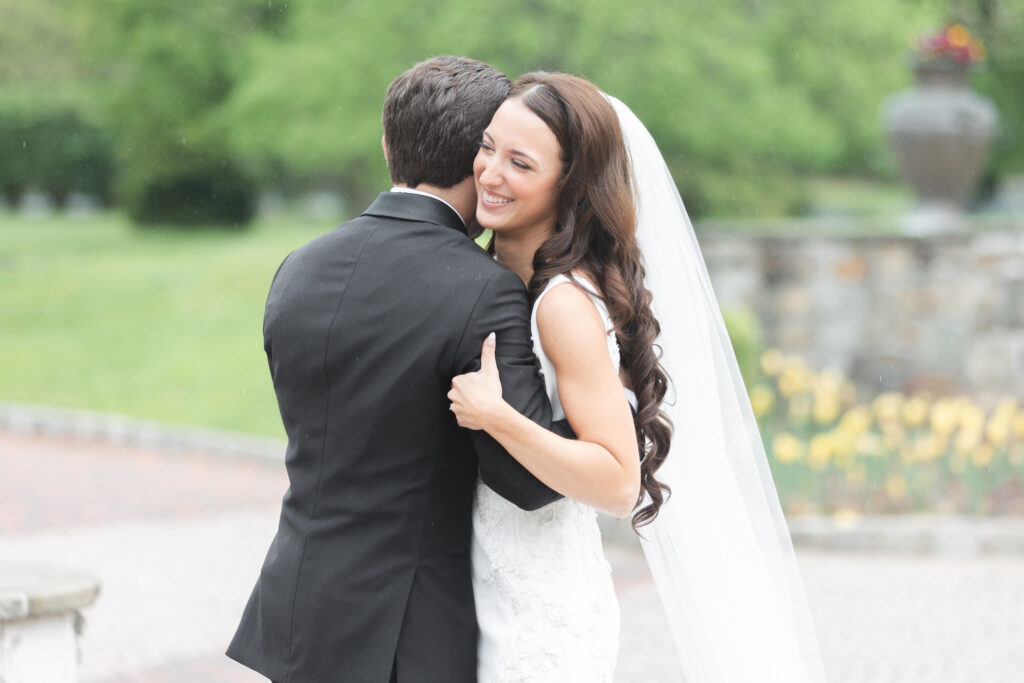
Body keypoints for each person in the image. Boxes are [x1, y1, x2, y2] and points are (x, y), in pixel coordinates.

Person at [449, 72, 829, 682]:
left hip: (536, 615)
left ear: (568, 186)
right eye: (488, 147)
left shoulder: (563, 304)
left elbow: (619, 482)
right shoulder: (492, 274)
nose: (490, 174)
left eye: (520, 163)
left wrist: (496, 417)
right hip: (476, 586)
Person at [226, 57, 571, 683]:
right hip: (404, 634)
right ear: (479, 158)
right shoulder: (481, 290)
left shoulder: (297, 268)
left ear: (387, 144)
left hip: (296, 606)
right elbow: (530, 483)